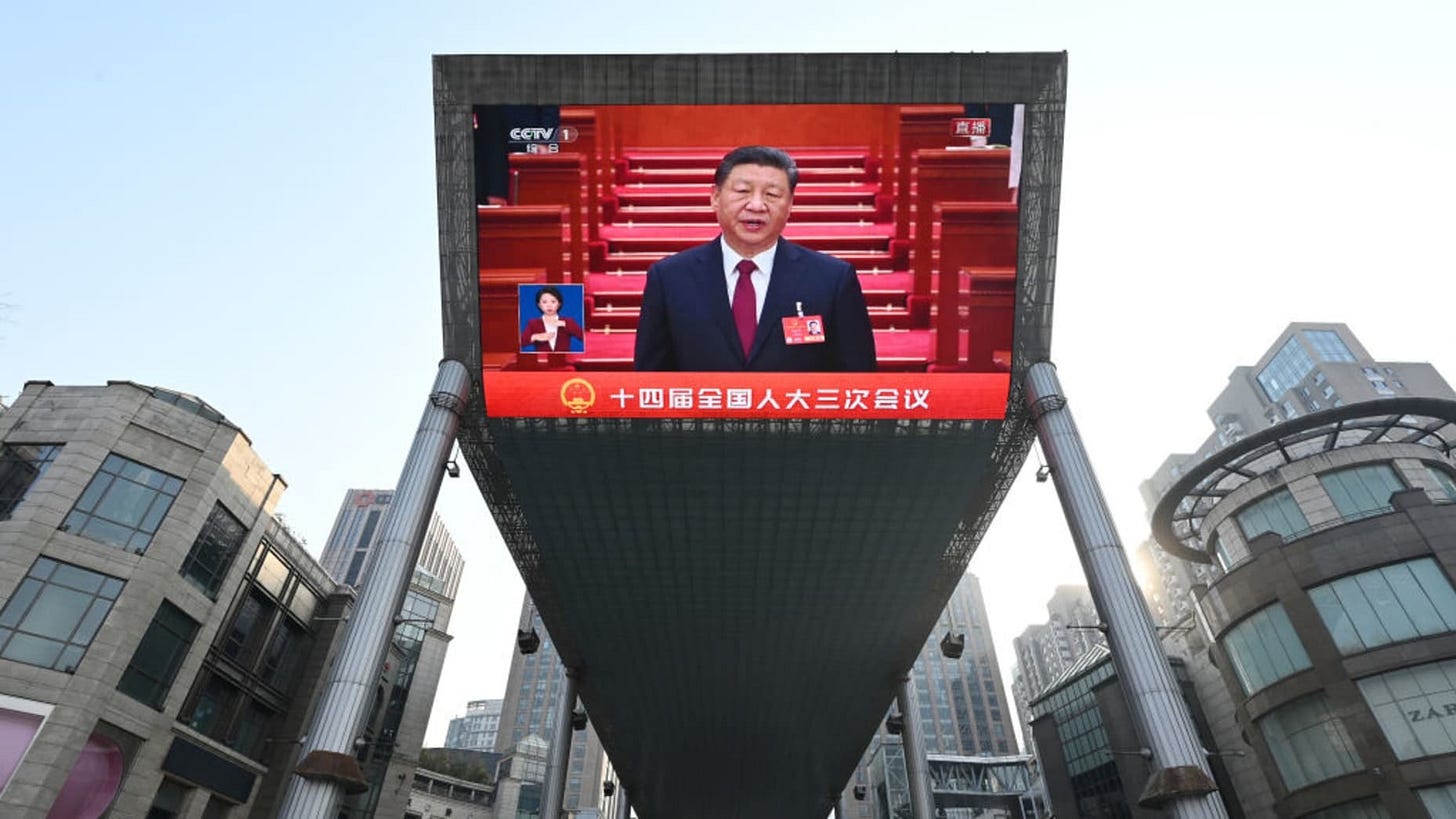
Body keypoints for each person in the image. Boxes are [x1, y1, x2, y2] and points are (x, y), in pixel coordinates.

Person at [632, 146, 876, 371]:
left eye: (772, 194)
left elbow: (858, 378)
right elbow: (649, 379)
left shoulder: (832, 279)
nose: (757, 205)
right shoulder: (670, 278)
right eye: (742, 191)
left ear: (790, 204)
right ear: (715, 197)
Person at [520, 286, 584, 353]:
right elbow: (520, 343)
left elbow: (583, 337)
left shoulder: (568, 322)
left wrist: (565, 324)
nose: (549, 305)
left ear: (559, 304)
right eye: (544, 302)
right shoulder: (533, 323)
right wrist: (534, 337)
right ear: (539, 305)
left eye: (553, 302)